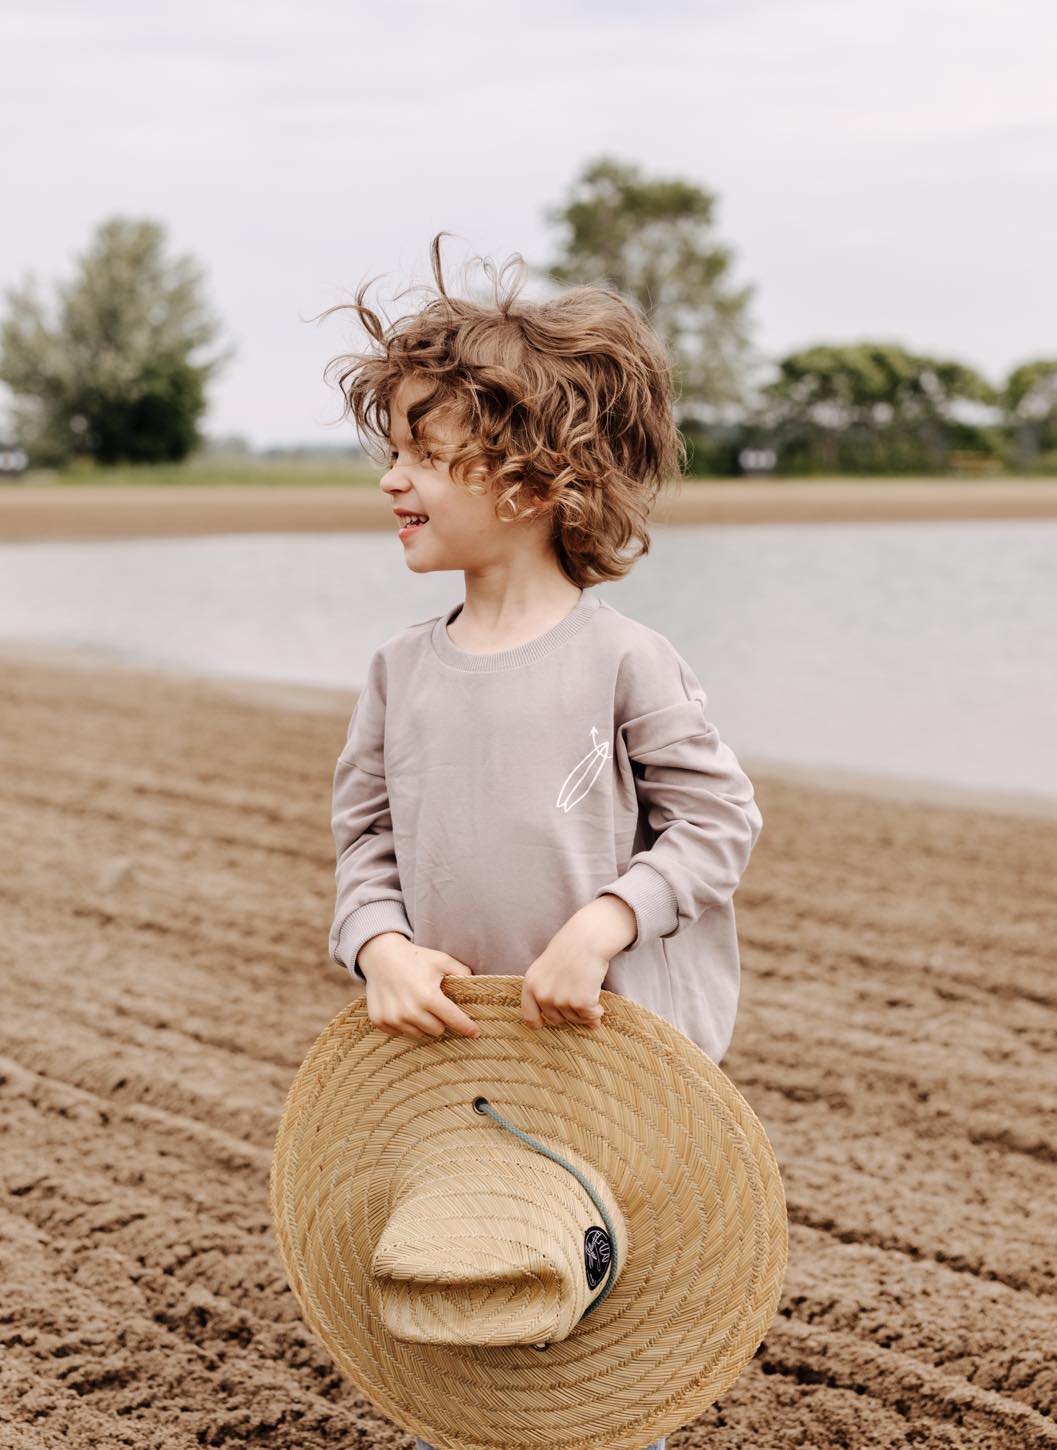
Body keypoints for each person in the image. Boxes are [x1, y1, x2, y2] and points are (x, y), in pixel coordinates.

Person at [320, 235, 765, 1450]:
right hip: (457, 1057)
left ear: (532, 481)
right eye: (389, 451)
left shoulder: (622, 657)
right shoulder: (399, 669)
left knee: (603, 1351)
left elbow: (715, 820)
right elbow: (360, 836)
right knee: (464, 1313)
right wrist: (377, 947)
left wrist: (607, 918)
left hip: (601, 1059)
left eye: (421, 451)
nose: (390, 480)